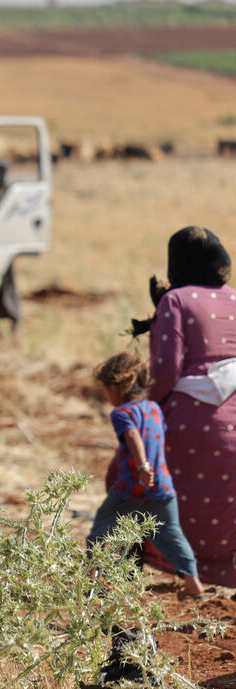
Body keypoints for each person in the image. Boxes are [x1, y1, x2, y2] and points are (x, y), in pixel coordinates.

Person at [137, 226, 236, 587]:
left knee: (132, 476)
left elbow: (166, 369)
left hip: (189, 422)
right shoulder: (235, 299)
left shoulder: (175, 301)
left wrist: (145, 409)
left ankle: (125, 576)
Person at [88, 351, 204, 596]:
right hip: (162, 487)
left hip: (130, 488)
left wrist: (142, 466)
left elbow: (132, 436)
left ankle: (91, 580)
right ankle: (193, 584)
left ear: (117, 387)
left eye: (106, 390)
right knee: (172, 535)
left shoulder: (122, 413)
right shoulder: (154, 408)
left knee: (101, 529)